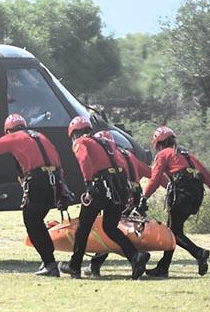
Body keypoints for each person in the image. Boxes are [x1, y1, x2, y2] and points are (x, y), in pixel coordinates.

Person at [0, 114, 75, 277]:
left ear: (8, 130)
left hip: (38, 182)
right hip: (54, 183)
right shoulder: (40, 136)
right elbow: (57, 162)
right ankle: (48, 261)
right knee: (36, 220)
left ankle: (49, 264)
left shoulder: (13, 138)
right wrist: (61, 190)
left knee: (32, 221)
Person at [58, 116, 150, 280]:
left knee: (83, 227)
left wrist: (88, 184)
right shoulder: (107, 144)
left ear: (74, 133)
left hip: (101, 187)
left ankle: (74, 266)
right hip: (119, 188)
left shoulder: (81, 142)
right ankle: (135, 256)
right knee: (110, 227)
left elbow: (84, 159)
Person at [141, 126, 210, 278]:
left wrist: (144, 197)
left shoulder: (163, 154)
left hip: (181, 194)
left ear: (158, 143)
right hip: (196, 195)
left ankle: (199, 253)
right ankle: (163, 268)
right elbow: (208, 178)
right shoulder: (188, 156)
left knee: (173, 232)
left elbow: (155, 180)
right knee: (173, 229)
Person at [85, 130, 152, 277]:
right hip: (132, 197)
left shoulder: (114, 157)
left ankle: (134, 257)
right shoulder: (129, 156)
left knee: (109, 229)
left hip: (119, 196)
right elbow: (151, 173)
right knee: (111, 229)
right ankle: (97, 265)